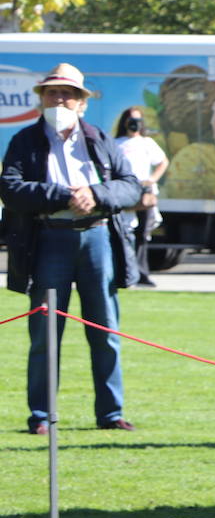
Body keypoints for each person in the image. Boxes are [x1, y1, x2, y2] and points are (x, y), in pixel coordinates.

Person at [2, 64, 142, 435]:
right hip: (49, 239)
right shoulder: (24, 141)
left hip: (97, 238)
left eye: (67, 93)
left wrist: (94, 194)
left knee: (106, 329)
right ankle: (42, 416)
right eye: (52, 93)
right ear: (40, 100)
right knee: (45, 331)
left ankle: (111, 413)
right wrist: (64, 195)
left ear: (82, 102)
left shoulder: (99, 139)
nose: (59, 99)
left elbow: (131, 187)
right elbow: (11, 189)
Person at [113, 107, 168, 287]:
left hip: (144, 192)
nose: (134, 124)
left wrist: (151, 180)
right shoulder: (116, 143)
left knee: (143, 234)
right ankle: (125, 271)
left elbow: (162, 161)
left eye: (138, 120)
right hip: (124, 192)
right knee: (124, 232)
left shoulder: (147, 143)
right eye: (131, 120)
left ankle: (142, 272)